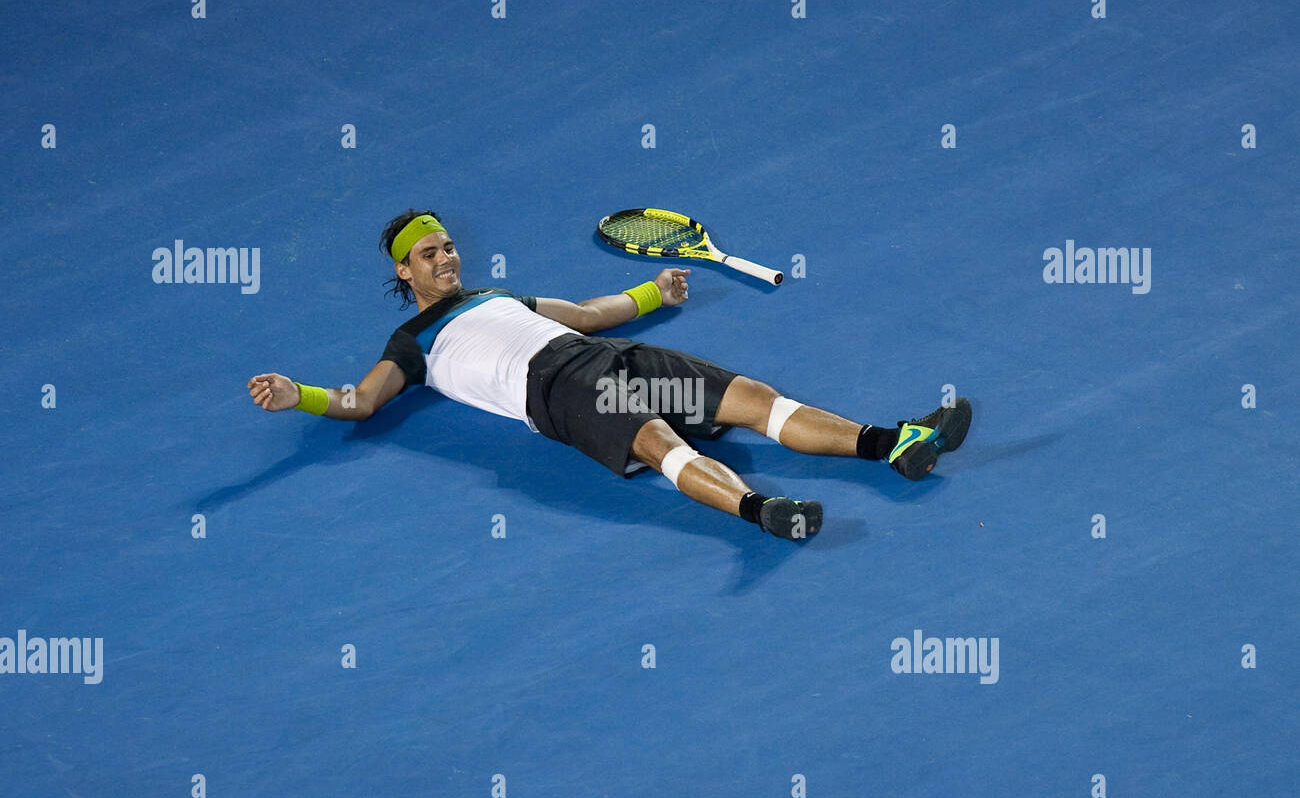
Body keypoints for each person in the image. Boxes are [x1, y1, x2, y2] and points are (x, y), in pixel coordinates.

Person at [247, 210, 971, 540]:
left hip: (610, 360)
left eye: (448, 246)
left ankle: (895, 443)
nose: (448, 258)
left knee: (752, 399)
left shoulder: (499, 295)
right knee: (661, 443)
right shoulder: (413, 340)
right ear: (405, 270)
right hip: (558, 390)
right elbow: (364, 400)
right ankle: (764, 512)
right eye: (430, 253)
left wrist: (654, 293)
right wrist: (298, 395)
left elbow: (588, 313)